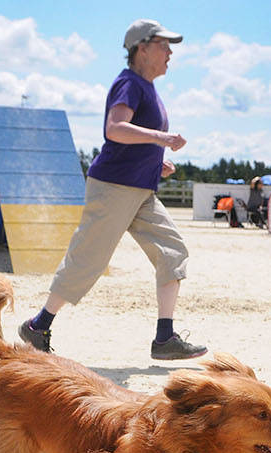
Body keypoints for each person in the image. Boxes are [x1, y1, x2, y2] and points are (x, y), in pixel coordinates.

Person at [15, 19, 205, 361]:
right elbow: (115, 128)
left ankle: (165, 338)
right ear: (142, 49)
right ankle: (38, 325)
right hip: (114, 186)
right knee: (88, 258)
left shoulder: (148, 88)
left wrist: (154, 160)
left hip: (140, 187)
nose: (170, 52)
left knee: (172, 251)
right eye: (163, 45)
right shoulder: (129, 82)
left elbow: (132, 139)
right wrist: (161, 138)